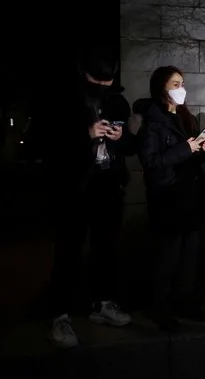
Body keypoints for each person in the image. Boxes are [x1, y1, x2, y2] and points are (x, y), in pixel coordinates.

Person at [46, 45, 137, 348]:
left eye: (107, 81)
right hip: (75, 188)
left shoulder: (117, 101)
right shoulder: (65, 101)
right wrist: (84, 135)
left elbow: (129, 144)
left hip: (108, 185)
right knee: (68, 252)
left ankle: (103, 305)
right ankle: (59, 317)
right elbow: (44, 146)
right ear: (83, 75)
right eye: (96, 81)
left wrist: (121, 138)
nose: (102, 87)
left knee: (106, 249)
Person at [136, 65, 205, 331]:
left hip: (190, 196)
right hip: (168, 199)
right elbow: (151, 162)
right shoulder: (152, 122)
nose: (181, 89)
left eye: (182, 83)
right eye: (175, 84)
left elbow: (191, 156)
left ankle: (185, 301)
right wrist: (185, 148)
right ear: (162, 89)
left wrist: (204, 150)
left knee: (189, 257)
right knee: (167, 258)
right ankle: (160, 308)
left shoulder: (184, 116)